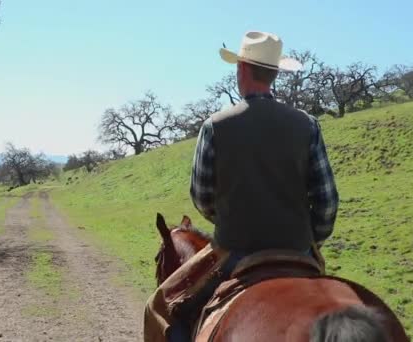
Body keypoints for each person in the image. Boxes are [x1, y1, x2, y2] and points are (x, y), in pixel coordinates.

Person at [144, 31, 339, 341]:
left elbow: (201, 196)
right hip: (298, 249)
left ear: (242, 69)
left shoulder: (215, 126)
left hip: (233, 250)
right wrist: (306, 237)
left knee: (160, 307)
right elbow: (327, 203)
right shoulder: (308, 124)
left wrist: (232, 220)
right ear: (274, 73)